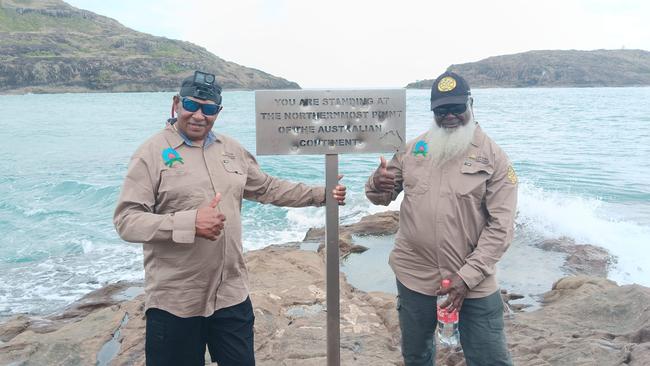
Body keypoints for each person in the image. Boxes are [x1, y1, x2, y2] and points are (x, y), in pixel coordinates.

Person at [114, 70, 346, 366]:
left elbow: (267, 188)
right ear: (176, 104)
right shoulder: (151, 154)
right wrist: (189, 222)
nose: (199, 115)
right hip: (176, 302)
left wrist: (321, 193)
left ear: (217, 112)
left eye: (209, 109)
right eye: (191, 105)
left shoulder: (232, 150)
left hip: (231, 296)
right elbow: (127, 220)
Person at [365, 71, 517, 366]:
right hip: (414, 274)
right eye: (441, 110)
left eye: (457, 108)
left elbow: (501, 228)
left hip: (473, 279)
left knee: (490, 358)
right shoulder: (412, 150)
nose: (450, 116)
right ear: (433, 111)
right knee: (416, 354)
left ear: (471, 105)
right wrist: (376, 183)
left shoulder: (495, 158)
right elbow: (381, 196)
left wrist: (467, 277)